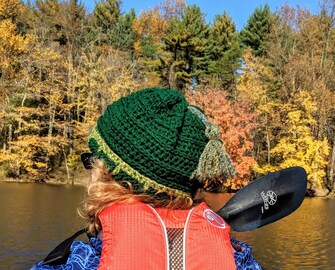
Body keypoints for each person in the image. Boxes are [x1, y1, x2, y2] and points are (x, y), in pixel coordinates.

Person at [32, 87, 262, 270]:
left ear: (108, 176)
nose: (88, 170)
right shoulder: (241, 260)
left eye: (92, 159)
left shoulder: (78, 263)